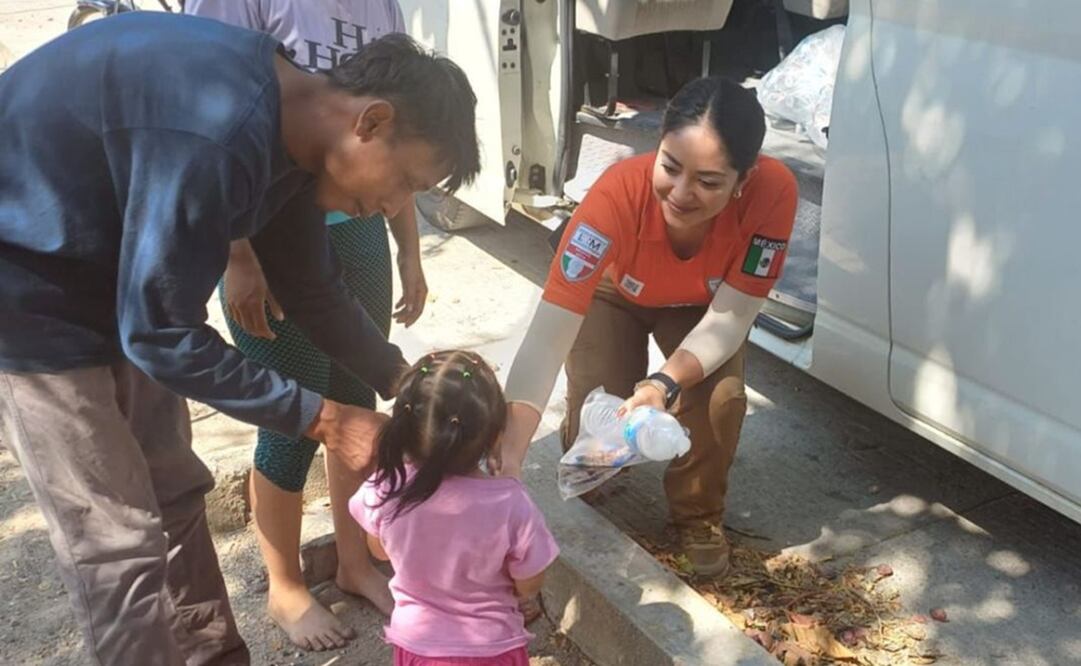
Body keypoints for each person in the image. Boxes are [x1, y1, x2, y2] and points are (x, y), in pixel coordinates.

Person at [0, 12, 479, 665]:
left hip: (120, 275)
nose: (397, 207)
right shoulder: (219, 131)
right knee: (118, 544)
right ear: (371, 122)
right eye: (406, 183)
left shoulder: (293, 132)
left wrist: (406, 380)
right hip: (28, 287)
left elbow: (311, 289)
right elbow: (162, 333)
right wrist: (328, 419)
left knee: (172, 491)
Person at [185, 0, 425, 651]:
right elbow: (215, 109)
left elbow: (401, 135)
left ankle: (354, 560)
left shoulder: (383, 5)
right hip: (266, 228)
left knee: (357, 397)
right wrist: (239, 254)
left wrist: (408, 244)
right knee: (293, 414)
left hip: (359, 224)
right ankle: (285, 585)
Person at [498, 77, 797, 578]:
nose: (681, 194)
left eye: (708, 181)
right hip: (613, 293)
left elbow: (734, 315)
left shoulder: (775, 192)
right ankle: (587, 461)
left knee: (719, 395)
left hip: (703, 304)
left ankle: (698, 516)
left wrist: (664, 383)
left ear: (744, 179)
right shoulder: (615, 194)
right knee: (604, 396)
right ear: (656, 146)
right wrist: (508, 461)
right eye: (671, 167)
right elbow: (549, 337)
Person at [350, 351, 559, 666]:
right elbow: (530, 581)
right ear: (495, 437)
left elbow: (379, 551)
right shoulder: (511, 503)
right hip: (493, 648)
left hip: (416, 645)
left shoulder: (387, 486)